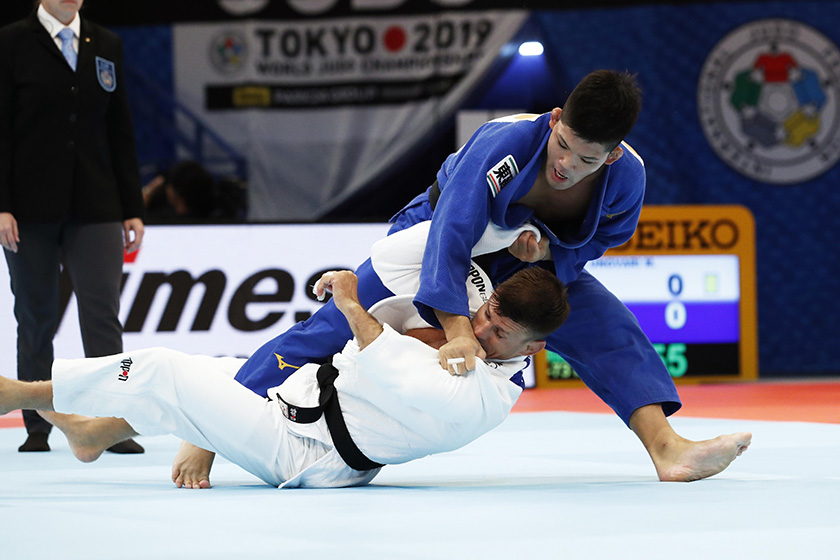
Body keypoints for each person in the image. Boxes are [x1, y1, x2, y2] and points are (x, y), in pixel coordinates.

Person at [223, 69, 752, 484]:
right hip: (431, 236)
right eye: (563, 142)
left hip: (532, 262)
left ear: (611, 154)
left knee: (608, 326)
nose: (566, 163)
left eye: (586, 157)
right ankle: (214, 423)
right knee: (329, 332)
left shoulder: (626, 177)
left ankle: (668, 448)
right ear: (555, 118)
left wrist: (551, 250)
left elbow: (601, 240)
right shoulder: (503, 144)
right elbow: (450, 237)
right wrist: (457, 331)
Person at [0, 267, 582, 489]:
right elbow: (419, 306)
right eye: (485, 315)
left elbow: (395, 365)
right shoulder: (467, 334)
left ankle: (28, 393)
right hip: (308, 420)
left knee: (165, 368)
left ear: (534, 349)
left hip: (303, 452)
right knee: (217, 374)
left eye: (499, 333)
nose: (480, 332)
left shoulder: (487, 395)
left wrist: (353, 304)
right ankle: (91, 435)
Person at [0, 0, 144, 453]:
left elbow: (119, 127)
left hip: (97, 203)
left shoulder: (106, 43)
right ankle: (38, 427)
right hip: (27, 208)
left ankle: (111, 424)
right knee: (36, 317)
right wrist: (2, 205)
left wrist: (132, 206)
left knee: (102, 316)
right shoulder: (10, 42)